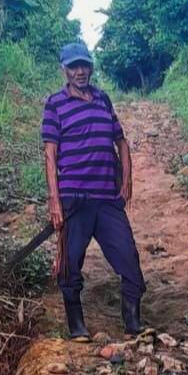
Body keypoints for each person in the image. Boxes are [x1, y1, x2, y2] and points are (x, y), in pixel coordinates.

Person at [41, 42, 150, 341]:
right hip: (74, 198)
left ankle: (132, 321)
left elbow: (121, 140)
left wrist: (127, 178)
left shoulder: (102, 99)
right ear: (64, 69)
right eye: (74, 66)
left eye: (85, 65)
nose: (80, 71)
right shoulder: (55, 104)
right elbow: (50, 155)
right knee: (70, 261)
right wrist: (55, 202)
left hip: (106, 199)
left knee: (128, 255)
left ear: (91, 67)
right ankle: (76, 325)